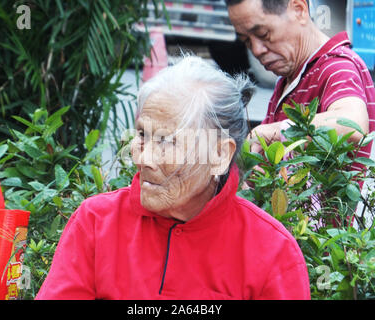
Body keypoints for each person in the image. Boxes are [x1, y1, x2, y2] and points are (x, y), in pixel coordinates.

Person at [35, 55, 310, 300]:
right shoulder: (96, 222)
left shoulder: (273, 252)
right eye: (142, 135)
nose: (142, 158)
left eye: (166, 141)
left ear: (219, 155)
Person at [225, 0, 375, 166]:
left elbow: (353, 124)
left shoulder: (337, 67)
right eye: (246, 41)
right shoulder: (289, 77)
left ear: (299, 9)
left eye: (263, 34)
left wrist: (269, 131)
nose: (256, 50)